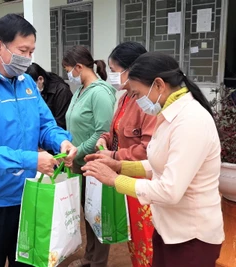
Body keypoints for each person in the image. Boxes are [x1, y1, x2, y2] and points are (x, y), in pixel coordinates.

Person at [82, 52, 224, 267]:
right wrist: (120, 166)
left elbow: (170, 190)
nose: (137, 101)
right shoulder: (169, 115)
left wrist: (114, 179)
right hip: (168, 229)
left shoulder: (191, 121)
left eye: (138, 94)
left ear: (158, 85)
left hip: (191, 236)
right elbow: (159, 164)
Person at [0, 14, 77, 267]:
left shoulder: (27, 84)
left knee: (28, 261)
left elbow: (45, 124)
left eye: (31, 51)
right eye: (23, 50)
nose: (28, 58)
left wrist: (61, 142)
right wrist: (32, 160)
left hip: (28, 194)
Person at [94, 42, 155, 267]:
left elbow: (148, 148)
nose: (111, 75)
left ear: (133, 70)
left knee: (146, 240)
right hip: (124, 176)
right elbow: (114, 131)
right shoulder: (125, 98)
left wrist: (115, 156)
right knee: (133, 238)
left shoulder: (148, 104)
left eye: (115, 70)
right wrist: (104, 139)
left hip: (142, 179)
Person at [63, 45, 116, 267]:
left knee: (98, 215)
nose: (67, 75)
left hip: (93, 163)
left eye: (68, 69)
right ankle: (90, 256)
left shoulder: (100, 92)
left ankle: (99, 261)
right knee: (87, 212)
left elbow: (101, 132)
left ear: (79, 67)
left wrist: (79, 151)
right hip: (78, 162)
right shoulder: (80, 91)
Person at [25, 62, 73, 129]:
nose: (30, 91)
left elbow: (61, 122)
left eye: (32, 86)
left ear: (40, 79)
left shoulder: (61, 91)